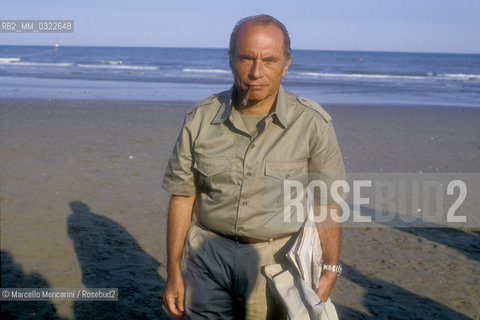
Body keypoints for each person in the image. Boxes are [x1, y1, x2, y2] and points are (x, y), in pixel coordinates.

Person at [162, 14, 346, 319]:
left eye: (270, 60)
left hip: (276, 263)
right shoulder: (200, 119)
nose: (256, 72)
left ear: (286, 64)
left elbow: (325, 201)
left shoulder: (313, 124)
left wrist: (330, 267)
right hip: (207, 257)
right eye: (246, 58)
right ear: (231, 59)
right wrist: (173, 272)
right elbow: (182, 196)